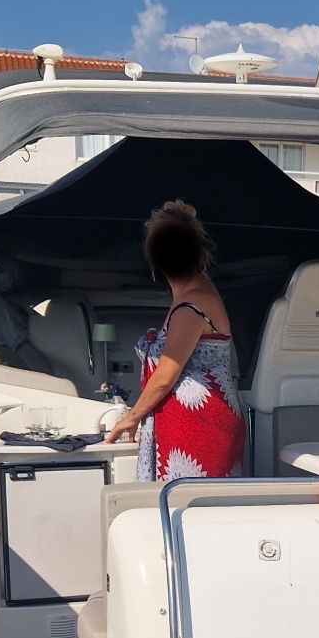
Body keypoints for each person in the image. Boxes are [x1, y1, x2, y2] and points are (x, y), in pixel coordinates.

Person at [103, 200, 246, 480]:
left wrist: (132, 417)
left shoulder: (193, 302)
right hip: (191, 423)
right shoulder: (190, 295)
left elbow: (166, 375)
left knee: (190, 509)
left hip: (198, 427)